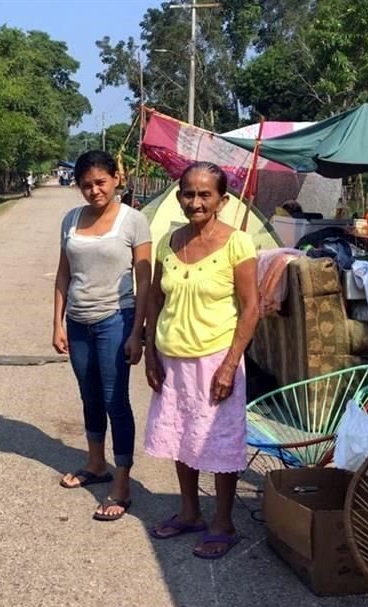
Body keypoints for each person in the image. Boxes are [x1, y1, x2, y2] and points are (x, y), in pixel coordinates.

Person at [144, 161, 259, 558]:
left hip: (215, 360)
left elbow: (251, 308)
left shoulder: (237, 243)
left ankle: (223, 522)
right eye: (188, 193)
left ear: (221, 200)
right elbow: (157, 301)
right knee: (181, 436)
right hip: (172, 357)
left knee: (219, 441)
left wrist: (230, 364)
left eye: (205, 194)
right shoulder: (168, 242)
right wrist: (150, 353)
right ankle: (190, 512)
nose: (196, 201)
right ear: (178, 197)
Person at [53, 150, 153, 521]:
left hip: (116, 318)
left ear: (116, 179)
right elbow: (63, 272)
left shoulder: (134, 221)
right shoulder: (70, 220)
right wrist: (57, 322)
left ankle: (122, 482)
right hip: (78, 321)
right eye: (86, 185)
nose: (94, 191)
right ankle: (96, 465)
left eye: (100, 182)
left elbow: (145, 280)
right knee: (89, 393)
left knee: (115, 399)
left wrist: (138, 331)